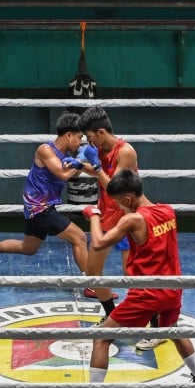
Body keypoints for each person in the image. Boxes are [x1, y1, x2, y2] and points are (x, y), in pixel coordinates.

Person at [58, 170, 195, 388]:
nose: (117, 207)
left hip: (148, 293)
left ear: (128, 199)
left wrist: (94, 216)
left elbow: (98, 243)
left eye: (118, 202)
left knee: (102, 338)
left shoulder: (133, 220)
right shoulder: (168, 211)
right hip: (173, 288)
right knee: (172, 329)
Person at [0, 112, 98, 275]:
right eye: (79, 138)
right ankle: (92, 284)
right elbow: (63, 174)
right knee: (79, 237)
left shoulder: (66, 156)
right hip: (40, 209)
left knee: (28, 248)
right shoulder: (46, 150)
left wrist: (94, 164)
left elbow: (77, 173)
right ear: (69, 135)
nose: (80, 143)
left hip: (39, 209)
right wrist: (79, 162)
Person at [79, 107, 163, 351]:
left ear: (102, 132)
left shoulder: (125, 152)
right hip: (106, 215)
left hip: (129, 216)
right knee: (93, 270)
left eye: (91, 136)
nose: (89, 141)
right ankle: (111, 317)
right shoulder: (101, 150)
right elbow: (100, 174)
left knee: (136, 275)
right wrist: (79, 165)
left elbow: (114, 188)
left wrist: (95, 168)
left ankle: (158, 328)